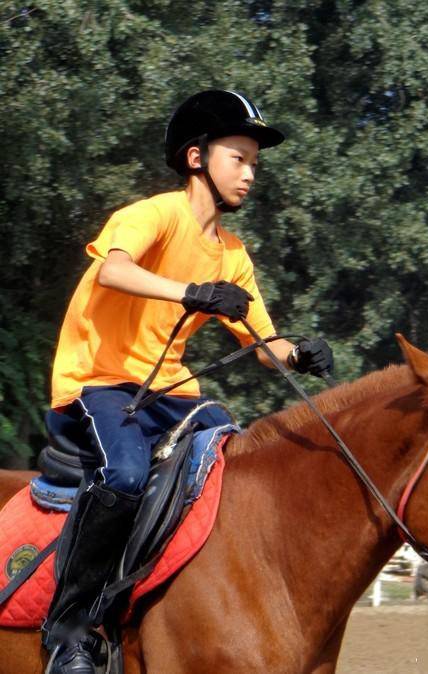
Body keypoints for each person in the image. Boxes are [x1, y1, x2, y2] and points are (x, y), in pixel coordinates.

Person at [42, 89, 334, 674]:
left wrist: (299, 352)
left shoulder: (233, 253)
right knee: (123, 475)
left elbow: (262, 347)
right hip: (99, 386)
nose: (251, 174)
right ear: (197, 158)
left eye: (255, 162)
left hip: (175, 397)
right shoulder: (152, 214)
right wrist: (193, 293)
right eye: (239, 158)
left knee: (241, 463)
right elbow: (115, 269)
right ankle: (70, 630)